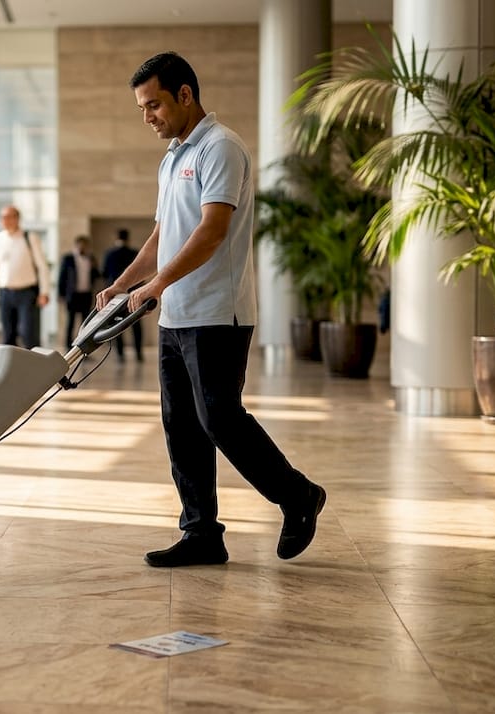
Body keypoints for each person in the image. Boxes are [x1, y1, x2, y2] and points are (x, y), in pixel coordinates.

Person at [95, 52, 325, 567]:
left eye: (153, 104)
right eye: (140, 108)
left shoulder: (222, 147)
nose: (147, 115)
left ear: (184, 94)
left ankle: (298, 496)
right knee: (181, 425)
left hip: (218, 313)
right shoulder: (173, 156)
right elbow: (162, 234)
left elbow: (211, 231)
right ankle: (201, 532)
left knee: (220, 418)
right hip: (176, 315)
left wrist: (155, 285)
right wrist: (123, 285)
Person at [0, 205, 51, 348]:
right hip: (5, 293)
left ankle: (34, 367)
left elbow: (42, 267)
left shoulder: (29, 238)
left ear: (17, 218)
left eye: (9, 217)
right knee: (8, 336)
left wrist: (44, 292)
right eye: (3, 217)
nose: (5, 220)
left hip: (27, 293)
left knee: (28, 333)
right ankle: (12, 369)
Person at [102, 229, 144, 360]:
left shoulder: (110, 254)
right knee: (136, 324)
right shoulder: (134, 253)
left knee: (117, 324)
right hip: (134, 293)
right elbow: (141, 273)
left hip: (117, 295)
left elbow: (104, 273)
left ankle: (120, 354)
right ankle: (138, 353)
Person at [57, 235, 99, 350]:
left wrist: (95, 267)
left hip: (86, 295)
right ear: (76, 245)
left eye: (85, 245)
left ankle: (83, 348)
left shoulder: (90, 259)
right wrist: (61, 294)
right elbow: (62, 277)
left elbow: (97, 275)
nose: (83, 247)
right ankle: (68, 348)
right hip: (72, 295)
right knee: (70, 322)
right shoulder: (68, 259)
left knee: (85, 324)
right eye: (81, 245)